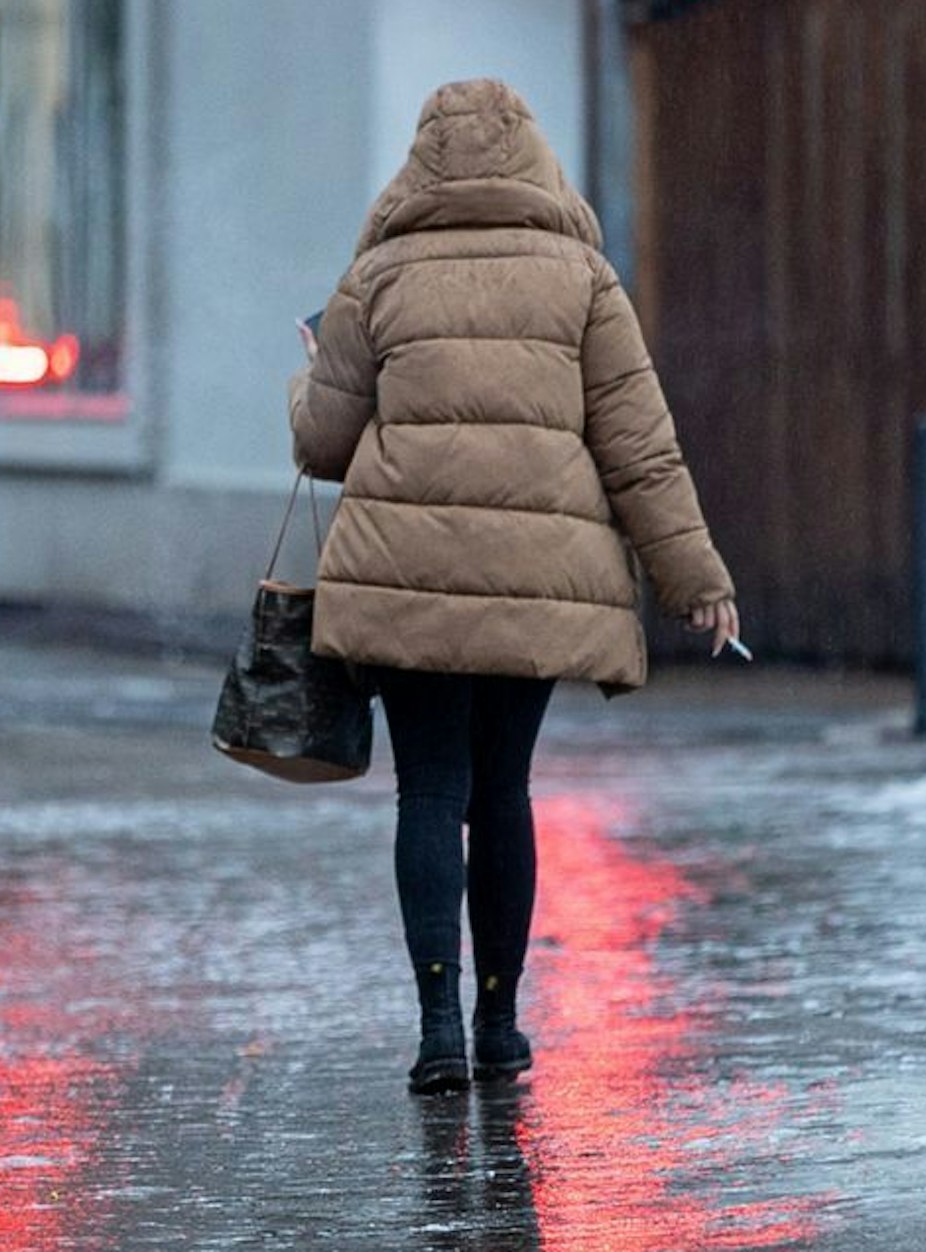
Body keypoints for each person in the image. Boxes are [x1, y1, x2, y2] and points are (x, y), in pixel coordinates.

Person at [288, 79, 739, 1094]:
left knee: (429, 788)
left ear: (420, 164)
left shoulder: (377, 276)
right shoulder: (580, 276)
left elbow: (321, 442)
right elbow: (639, 448)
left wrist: (311, 370)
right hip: (538, 581)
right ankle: (499, 1023)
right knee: (502, 794)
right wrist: (693, 578)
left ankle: (437, 1027)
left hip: (405, 580)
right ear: (536, 159)